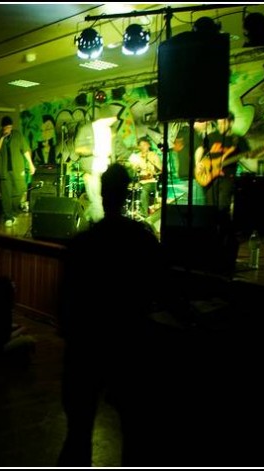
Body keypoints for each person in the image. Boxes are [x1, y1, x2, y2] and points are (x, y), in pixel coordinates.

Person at [57, 163, 166, 467]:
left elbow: (65, 300)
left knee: (77, 435)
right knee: (135, 436)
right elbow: (158, 288)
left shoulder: (82, 243)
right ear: (128, 193)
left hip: (86, 345)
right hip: (129, 344)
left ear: (102, 194)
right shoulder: (142, 240)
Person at [0, 116, 36, 226]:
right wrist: (2, 138)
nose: (8, 130)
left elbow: (25, 150)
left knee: (21, 190)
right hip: (4, 171)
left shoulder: (17, 135)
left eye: (10, 127)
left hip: (17, 169)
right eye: (6, 128)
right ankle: (8, 217)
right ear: (2, 127)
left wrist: (31, 164)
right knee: (6, 195)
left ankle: (14, 212)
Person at [127, 136, 162, 218]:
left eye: (144, 145)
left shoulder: (153, 155)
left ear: (148, 145)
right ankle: (129, 212)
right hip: (139, 181)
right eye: (141, 145)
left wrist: (152, 171)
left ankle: (144, 214)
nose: (143, 147)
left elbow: (160, 170)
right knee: (128, 189)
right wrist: (134, 167)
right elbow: (133, 171)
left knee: (144, 189)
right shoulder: (137, 156)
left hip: (151, 182)